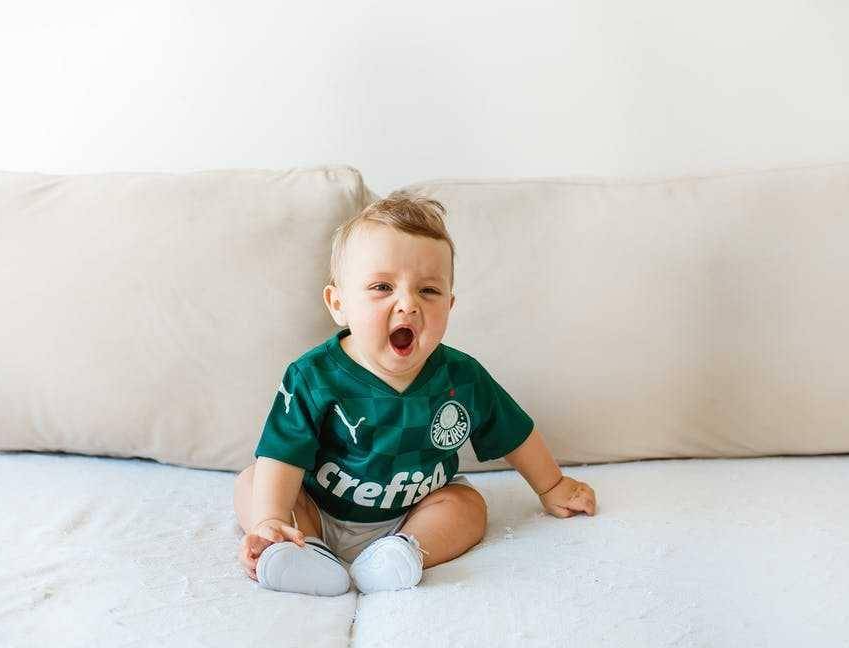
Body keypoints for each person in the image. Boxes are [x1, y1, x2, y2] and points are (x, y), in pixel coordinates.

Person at [234, 191, 597, 596]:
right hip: (317, 510)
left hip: (411, 516)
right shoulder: (312, 376)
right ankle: (299, 553)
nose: (407, 304)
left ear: (449, 305)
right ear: (339, 304)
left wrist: (552, 486)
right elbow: (282, 454)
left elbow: (514, 432)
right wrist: (269, 518)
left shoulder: (461, 377)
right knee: (254, 483)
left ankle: (403, 555)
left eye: (428, 291)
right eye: (382, 287)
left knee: (468, 506)